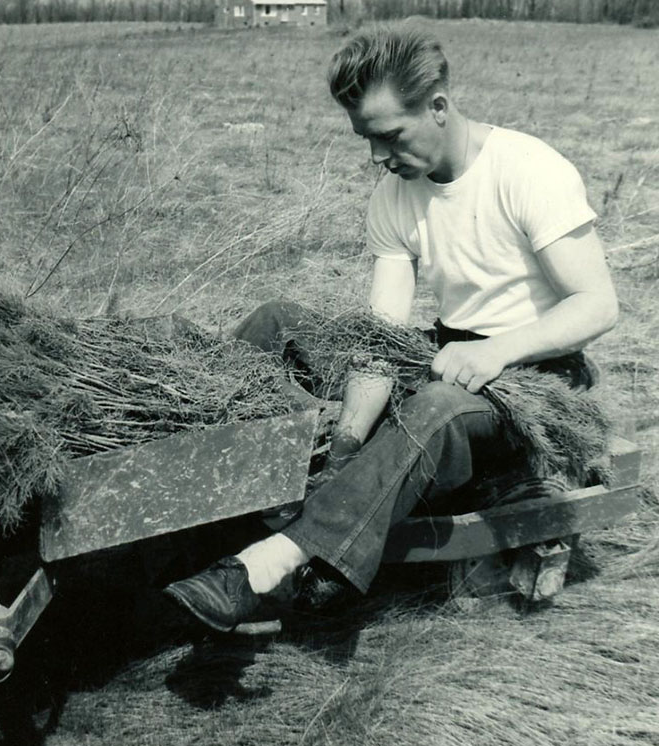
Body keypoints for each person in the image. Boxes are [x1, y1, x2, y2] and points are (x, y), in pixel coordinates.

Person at [163, 25, 619, 632]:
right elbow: (382, 338)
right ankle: (181, 493)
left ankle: (262, 567)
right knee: (277, 321)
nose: (378, 156)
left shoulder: (530, 170)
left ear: (437, 107)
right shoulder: (395, 192)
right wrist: (349, 444)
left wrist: (499, 351)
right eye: (366, 140)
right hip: (445, 354)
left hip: (535, 380)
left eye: (388, 136)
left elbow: (596, 306)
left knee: (434, 407)